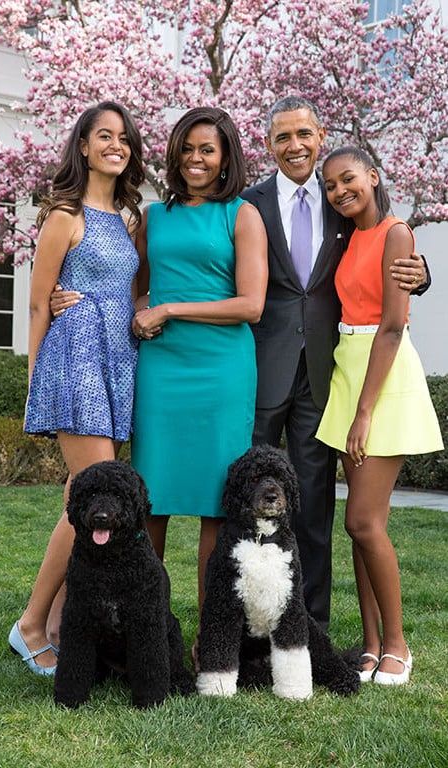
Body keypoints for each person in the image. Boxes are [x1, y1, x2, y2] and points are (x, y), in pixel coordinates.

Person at [241, 95, 429, 630]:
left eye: (303, 134)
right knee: (247, 498)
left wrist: (422, 272)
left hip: (327, 376)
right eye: (282, 137)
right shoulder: (250, 203)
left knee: (314, 505)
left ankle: (311, 627)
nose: (294, 146)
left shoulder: (341, 198)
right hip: (261, 367)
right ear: (269, 144)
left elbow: (386, 247)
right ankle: (251, 621)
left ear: (320, 137)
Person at [9, 101, 144, 674]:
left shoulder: (132, 218)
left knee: (80, 493)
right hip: (75, 357)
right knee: (90, 491)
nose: (115, 144)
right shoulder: (64, 214)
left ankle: (60, 622)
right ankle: (33, 624)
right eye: (103, 136)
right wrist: (37, 379)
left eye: (123, 137)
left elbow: (132, 290)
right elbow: (39, 302)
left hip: (119, 359)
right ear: (83, 147)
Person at [130, 107, 268, 627]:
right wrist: (141, 311)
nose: (195, 159)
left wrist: (169, 308)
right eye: (187, 148)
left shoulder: (242, 214)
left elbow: (251, 305)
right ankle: (145, 634)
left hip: (221, 370)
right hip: (162, 369)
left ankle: (211, 641)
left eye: (207, 149)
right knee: (151, 498)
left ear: (226, 155)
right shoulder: (154, 216)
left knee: (218, 503)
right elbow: (135, 286)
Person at [315, 146, 443, 684]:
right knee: (363, 527)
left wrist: (364, 412)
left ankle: (397, 645)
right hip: (348, 368)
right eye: (330, 186)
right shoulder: (348, 236)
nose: (340, 191)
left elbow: (392, 326)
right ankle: (369, 645)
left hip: (381, 375)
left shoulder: (396, 232)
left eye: (349, 180)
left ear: (373, 175)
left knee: (362, 520)